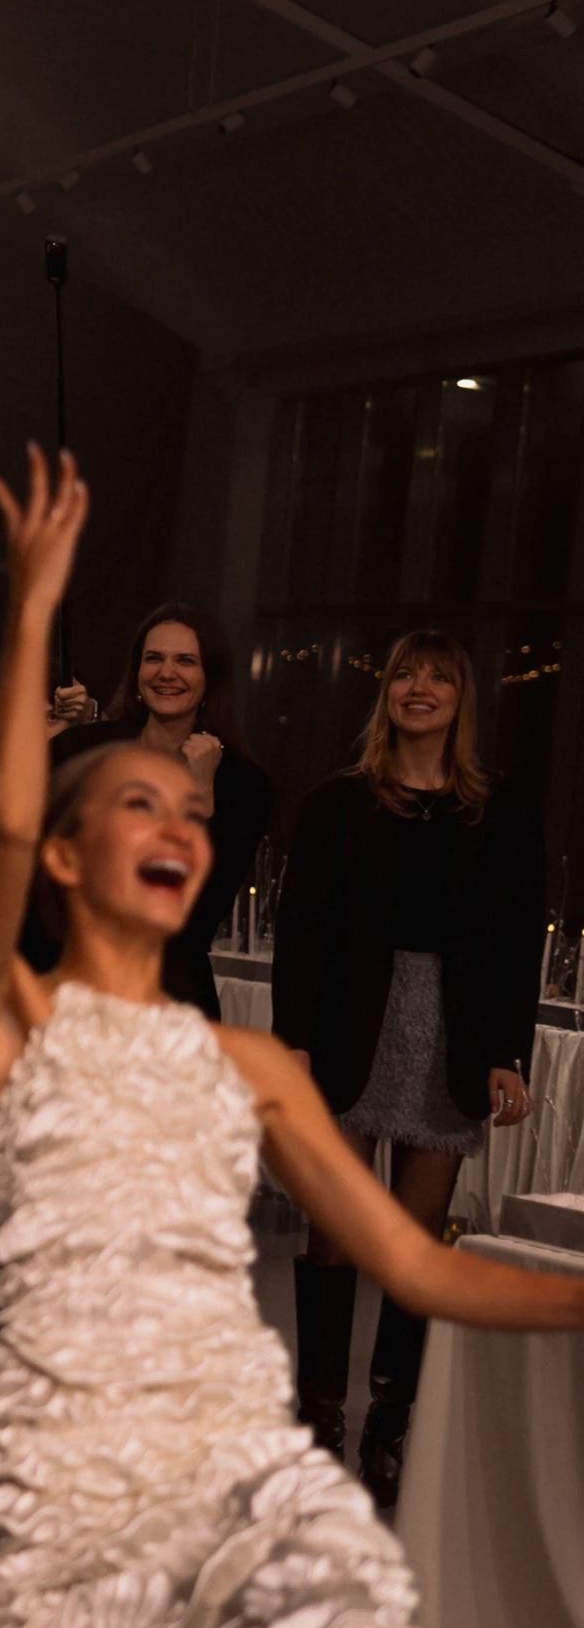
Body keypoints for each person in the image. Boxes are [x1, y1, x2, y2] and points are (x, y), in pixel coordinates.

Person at [0, 445, 584, 1628]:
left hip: (237, 1474)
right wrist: (29, 611)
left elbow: (417, 1265)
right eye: (133, 803)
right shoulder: (8, 1019)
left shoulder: (256, 1068)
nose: (173, 823)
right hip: (70, 1501)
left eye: (187, 808)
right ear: (65, 856)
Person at [274, 629, 541, 1504]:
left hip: (450, 1036)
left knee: (413, 1241)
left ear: (462, 700)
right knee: (334, 1232)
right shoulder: (336, 803)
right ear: (385, 691)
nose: (418, 689)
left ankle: (391, 1424)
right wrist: (293, 1039)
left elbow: (515, 946)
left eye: (438, 678)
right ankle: (319, 1416)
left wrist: (507, 1053)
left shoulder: (501, 810)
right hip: (350, 1027)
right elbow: (301, 928)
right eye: (404, 676)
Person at [47, 603, 273, 1017]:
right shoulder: (78, 751)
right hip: (64, 988)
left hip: (169, 1002)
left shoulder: (243, 783)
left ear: (211, 677)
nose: (167, 673)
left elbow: (197, 916)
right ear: (137, 671)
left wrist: (201, 799)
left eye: (185, 661)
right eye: (154, 658)